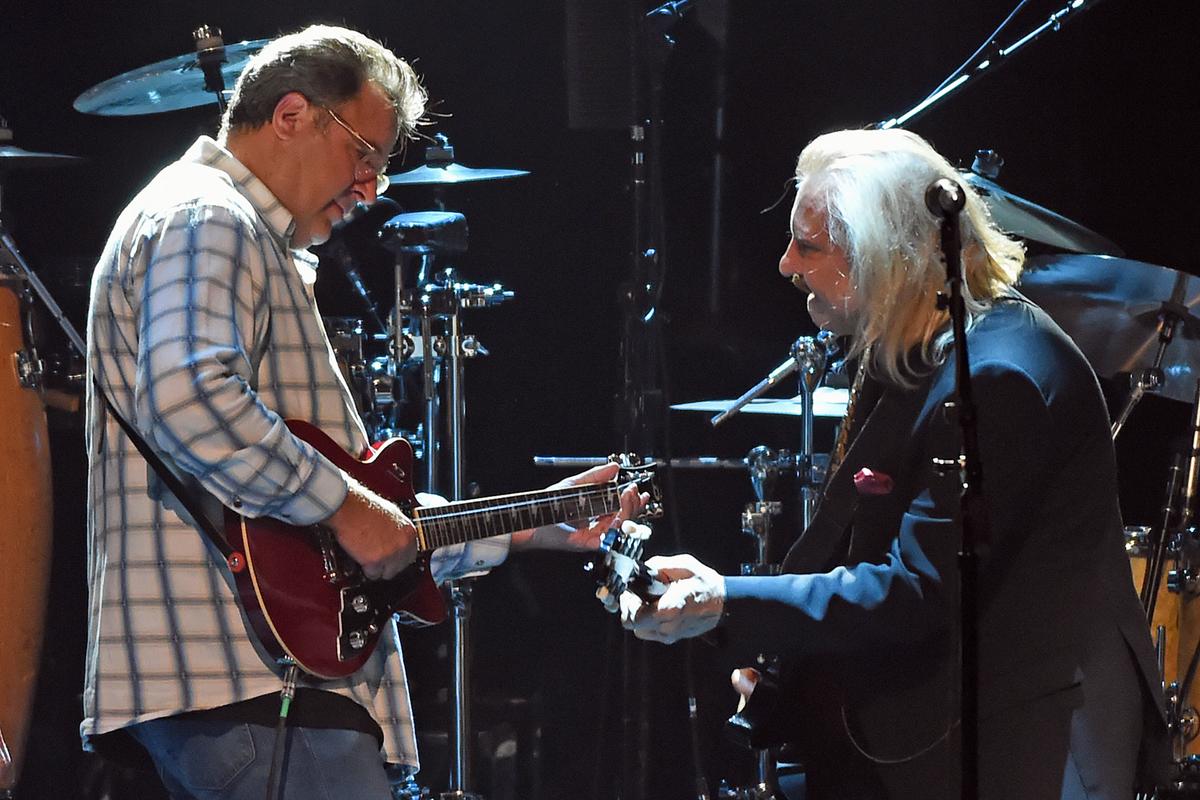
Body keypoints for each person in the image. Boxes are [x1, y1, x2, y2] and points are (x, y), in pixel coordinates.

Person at [83, 24, 643, 799]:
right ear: (292, 116)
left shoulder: (226, 228)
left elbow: (356, 532)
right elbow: (191, 398)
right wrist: (349, 509)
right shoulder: (209, 216)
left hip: (249, 688)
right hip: (256, 685)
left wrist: (532, 524)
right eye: (365, 155)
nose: (373, 188)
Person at [623, 128, 1168, 799]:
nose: (786, 264)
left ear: (884, 256)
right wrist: (775, 661)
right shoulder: (916, 343)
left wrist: (726, 600)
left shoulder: (999, 376)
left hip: (1012, 742)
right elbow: (849, 536)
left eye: (808, 246)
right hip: (925, 726)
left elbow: (918, 591)